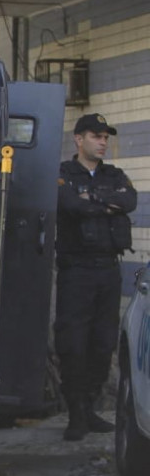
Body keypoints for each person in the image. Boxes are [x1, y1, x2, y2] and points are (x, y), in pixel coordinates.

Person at [55, 112, 137, 441]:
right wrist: (104, 204)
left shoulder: (115, 174)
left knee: (103, 344)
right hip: (77, 270)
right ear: (79, 139)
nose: (103, 142)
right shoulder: (63, 173)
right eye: (96, 136)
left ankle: (89, 407)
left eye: (106, 137)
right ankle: (75, 412)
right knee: (73, 343)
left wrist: (94, 200)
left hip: (108, 269)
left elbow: (129, 201)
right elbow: (70, 205)